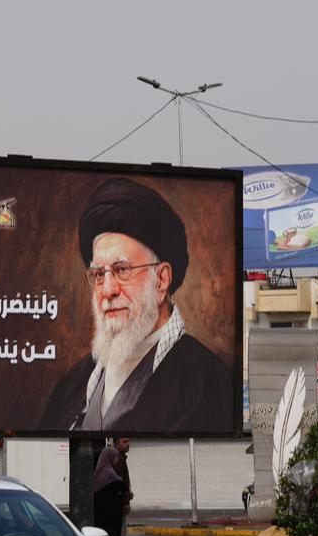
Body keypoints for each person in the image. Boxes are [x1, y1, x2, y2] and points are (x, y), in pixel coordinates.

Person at [39, 178, 231, 432]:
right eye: (98, 274)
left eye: (121, 270)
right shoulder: (73, 384)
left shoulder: (205, 383)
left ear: (161, 280)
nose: (107, 290)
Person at [92, 438, 132, 536]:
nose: (128, 444)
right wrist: (125, 499)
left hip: (104, 518)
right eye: (125, 441)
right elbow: (121, 487)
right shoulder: (110, 476)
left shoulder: (99, 475)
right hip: (112, 518)